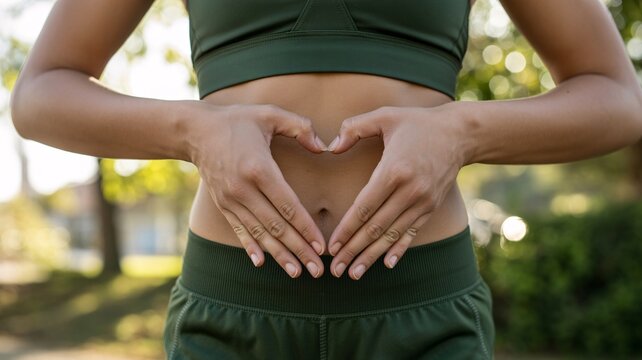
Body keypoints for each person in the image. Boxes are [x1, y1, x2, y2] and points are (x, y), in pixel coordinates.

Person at [10, 0, 642, 358]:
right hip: (233, 316)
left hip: (423, 315)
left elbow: (616, 96)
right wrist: (194, 132)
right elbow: (42, 92)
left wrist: (461, 132)